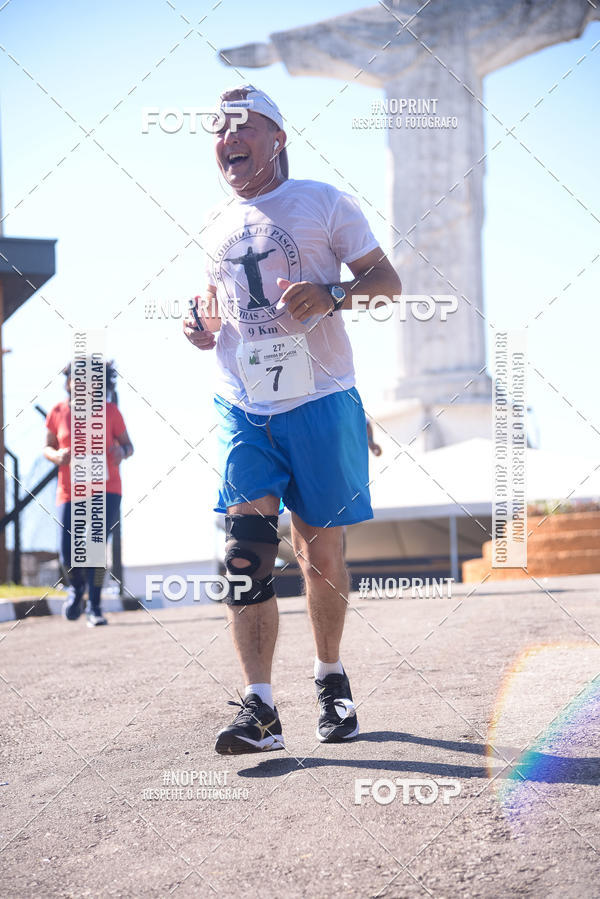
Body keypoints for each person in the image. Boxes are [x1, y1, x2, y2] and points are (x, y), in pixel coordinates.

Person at [183, 85, 401, 755]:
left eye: (242, 127)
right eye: (218, 130)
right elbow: (211, 311)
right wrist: (198, 325)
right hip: (244, 404)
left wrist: (334, 292)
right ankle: (260, 708)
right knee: (244, 552)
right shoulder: (217, 223)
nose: (228, 139)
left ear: (276, 138)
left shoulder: (323, 201)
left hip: (322, 397)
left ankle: (330, 677)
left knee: (319, 551)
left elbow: (387, 281)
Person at [44, 362, 134, 626]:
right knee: (67, 551)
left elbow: (129, 445)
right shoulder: (58, 412)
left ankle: (95, 608)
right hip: (69, 491)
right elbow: (47, 447)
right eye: (77, 378)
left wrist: (122, 452)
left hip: (106, 490)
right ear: (69, 382)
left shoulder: (110, 411)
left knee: (95, 546)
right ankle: (77, 586)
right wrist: (58, 455)